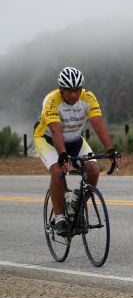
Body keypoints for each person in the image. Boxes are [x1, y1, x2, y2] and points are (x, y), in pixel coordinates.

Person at [34, 67, 120, 235]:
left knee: (94, 170)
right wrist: (63, 155)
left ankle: (76, 204)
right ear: (61, 89)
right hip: (49, 140)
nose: (74, 95)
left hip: (74, 140)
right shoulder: (51, 100)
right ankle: (59, 218)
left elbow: (98, 124)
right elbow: (56, 131)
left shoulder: (88, 98)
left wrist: (110, 149)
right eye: (69, 91)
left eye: (77, 90)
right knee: (58, 172)